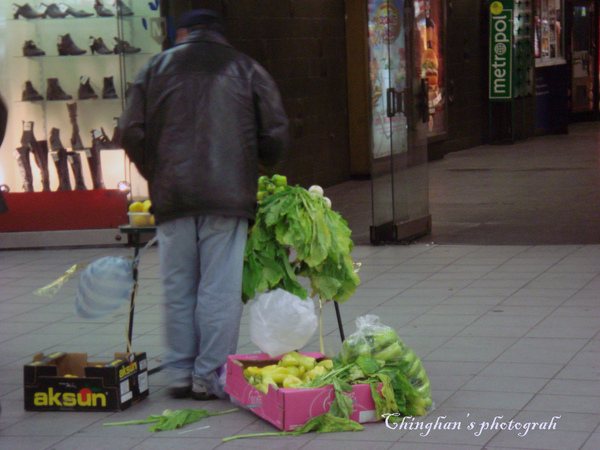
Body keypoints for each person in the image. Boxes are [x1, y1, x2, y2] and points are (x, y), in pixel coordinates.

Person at [117, 9, 289, 400]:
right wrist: (255, 163)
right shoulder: (246, 68)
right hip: (227, 199)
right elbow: (275, 133)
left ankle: (178, 372)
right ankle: (208, 376)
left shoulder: (154, 68)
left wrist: (157, 170)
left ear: (182, 33)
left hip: (173, 197)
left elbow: (129, 131)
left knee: (178, 286)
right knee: (219, 289)